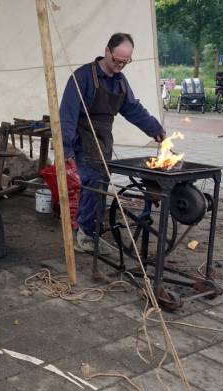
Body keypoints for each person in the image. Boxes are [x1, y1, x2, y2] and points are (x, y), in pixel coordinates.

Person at [59, 32, 166, 253]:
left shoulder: (120, 82)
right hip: (82, 136)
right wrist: (66, 146)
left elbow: (133, 109)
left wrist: (154, 128)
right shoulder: (82, 77)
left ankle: (90, 227)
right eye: (117, 60)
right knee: (94, 181)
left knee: (102, 182)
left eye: (126, 61)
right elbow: (67, 114)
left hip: (104, 138)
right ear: (107, 51)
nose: (121, 65)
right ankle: (85, 233)